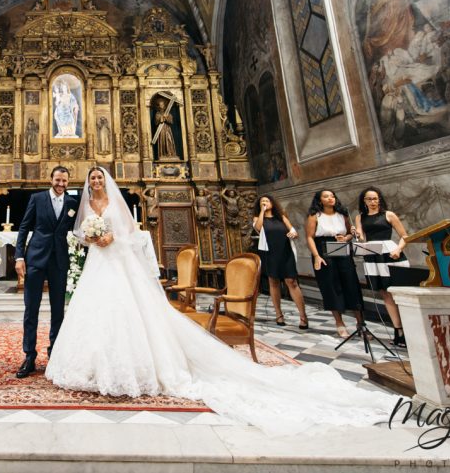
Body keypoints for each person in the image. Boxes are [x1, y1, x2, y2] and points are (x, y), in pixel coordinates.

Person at [44, 167, 395, 436]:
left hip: (116, 259)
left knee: (126, 312)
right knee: (96, 312)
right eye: (91, 179)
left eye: (98, 177)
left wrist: (110, 238)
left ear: (104, 180)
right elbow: (80, 233)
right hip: (98, 264)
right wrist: (93, 239)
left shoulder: (116, 202)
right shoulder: (85, 203)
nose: (95, 182)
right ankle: (91, 365)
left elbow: (128, 234)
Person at [14, 166, 78, 378]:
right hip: (35, 259)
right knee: (31, 309)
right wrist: (19, 257)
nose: (61, 184)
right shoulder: (37, 198)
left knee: (58, 309)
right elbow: (24, 228)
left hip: (59, 260)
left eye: (65, 181)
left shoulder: (72, 203)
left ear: (68, 182)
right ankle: (29, 356)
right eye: (58, 180)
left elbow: (77, 230)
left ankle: (55, 353)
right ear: (51, 179)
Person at [355, 187, 410, 348]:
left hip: (389, 252)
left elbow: (405, 236)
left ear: (379, 199)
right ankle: (398, 331)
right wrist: (356, 234)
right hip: (372, 254)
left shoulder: (388, 214)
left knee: (399, 293)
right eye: (369, 199)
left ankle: (408, 331)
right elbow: (361, 236)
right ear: (364, 201)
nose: (372, 202)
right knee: (385, 294)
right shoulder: (360, 217)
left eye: (375, 198)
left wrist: (398, 249)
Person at [305, 189, 363, 338]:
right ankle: (339, 323)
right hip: (323, 249)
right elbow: (310, 237)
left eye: (332, 196)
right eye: (326, 196)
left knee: (351, 283)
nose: (331, 198)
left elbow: (350, 232)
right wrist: (316, 256)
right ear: (320, 200)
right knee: (331, 285)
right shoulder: (314, 216)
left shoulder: (343, 214)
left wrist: (347, 237)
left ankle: (360, 323)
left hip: (342, 248)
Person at [252, 195, 308, 330]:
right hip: (270, 253)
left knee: (291, 282)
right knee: (274, 282)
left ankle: (303, 316)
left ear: (272, 202)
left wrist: (293, 233)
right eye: (262, 202)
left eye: (267, 201)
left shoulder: (281, 216)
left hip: (285, 251)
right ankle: (279, 314)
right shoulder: (258, 218)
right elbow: (258, 228)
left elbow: (293, 231)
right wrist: (262, 211)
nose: (264, 203)